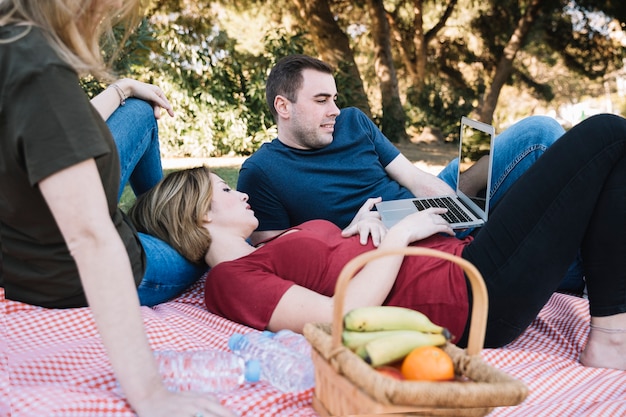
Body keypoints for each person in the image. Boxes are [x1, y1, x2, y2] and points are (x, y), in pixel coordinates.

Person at [130, 113, 626, 372]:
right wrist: (402, 235)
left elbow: (335, 269)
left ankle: (608, 330)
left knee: (599, 164)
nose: (239, 191)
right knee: (605, 136)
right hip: (471, 293)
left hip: (461, 260)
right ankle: (609, 337)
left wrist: (367, 226)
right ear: (198, 214)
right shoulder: (231, 281)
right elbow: (342, 320)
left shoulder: (263, 254)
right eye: (225, 189)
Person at [0, 1, 233, 417]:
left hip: (28, 246)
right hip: (76, 273)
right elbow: (90, 239)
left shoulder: (13, 46)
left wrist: (123, 88)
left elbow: (53, 131)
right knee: (209, 242)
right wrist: (150, 394)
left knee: (141, 111)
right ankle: (180, 224)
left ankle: (167, 211)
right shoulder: (36, 66)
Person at [236, 54, 585, 294]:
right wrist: (347, 233)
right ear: (283, 106)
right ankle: (591, 270)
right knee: (563, 260)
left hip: (429, 198)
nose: (335, 110)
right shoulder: (261, 172)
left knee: (538, 133)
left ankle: (481, 220)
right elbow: (279, 255)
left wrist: (458, 205)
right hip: (392, 236)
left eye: (335, 98)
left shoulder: (353, 122)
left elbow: (413, 177)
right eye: (322, 100)